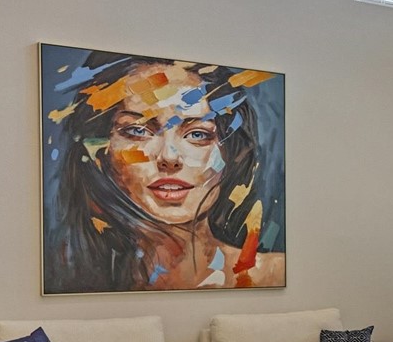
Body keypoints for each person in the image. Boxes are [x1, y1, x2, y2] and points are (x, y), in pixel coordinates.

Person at [43, 51, 285, 292]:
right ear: (100, 153)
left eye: (198, 134)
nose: (169, 157)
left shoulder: (274, 275)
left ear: (229, 154)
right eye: (138, 131)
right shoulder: (68, 279)